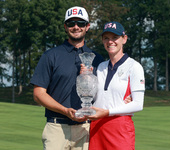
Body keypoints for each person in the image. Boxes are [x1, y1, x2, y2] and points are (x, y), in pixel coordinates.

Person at [30, 6, 104, 150]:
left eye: (80, 23)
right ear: (65, 27)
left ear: (87, 27)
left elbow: (107, 90)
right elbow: (38, 94)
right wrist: (65, 111)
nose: (76, 27)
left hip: (86, 129)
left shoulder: (98, 59)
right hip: (57, 128)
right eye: (71, 23)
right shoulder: (51, 55)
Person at [86, 21, 145, 150]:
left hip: (120, 129)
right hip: (96, 128)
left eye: (115, 37)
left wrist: (107, 112)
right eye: (106, 38)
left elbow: (138, 104)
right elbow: (96, 97)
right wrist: (86, 78)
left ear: (124, 39)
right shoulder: (100, 66)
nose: (110, 41)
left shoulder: (134, 67)